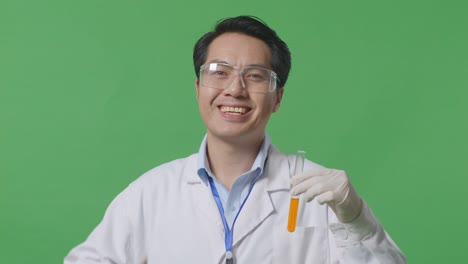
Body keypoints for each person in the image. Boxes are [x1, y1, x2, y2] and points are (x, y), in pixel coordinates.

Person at [64, 16, 406, 263]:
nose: (235, 89)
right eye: (219, 72)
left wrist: (356, 219)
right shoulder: (151, 192)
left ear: (278, 98)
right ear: (198, 88)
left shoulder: (322, 195)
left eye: (255, 76)